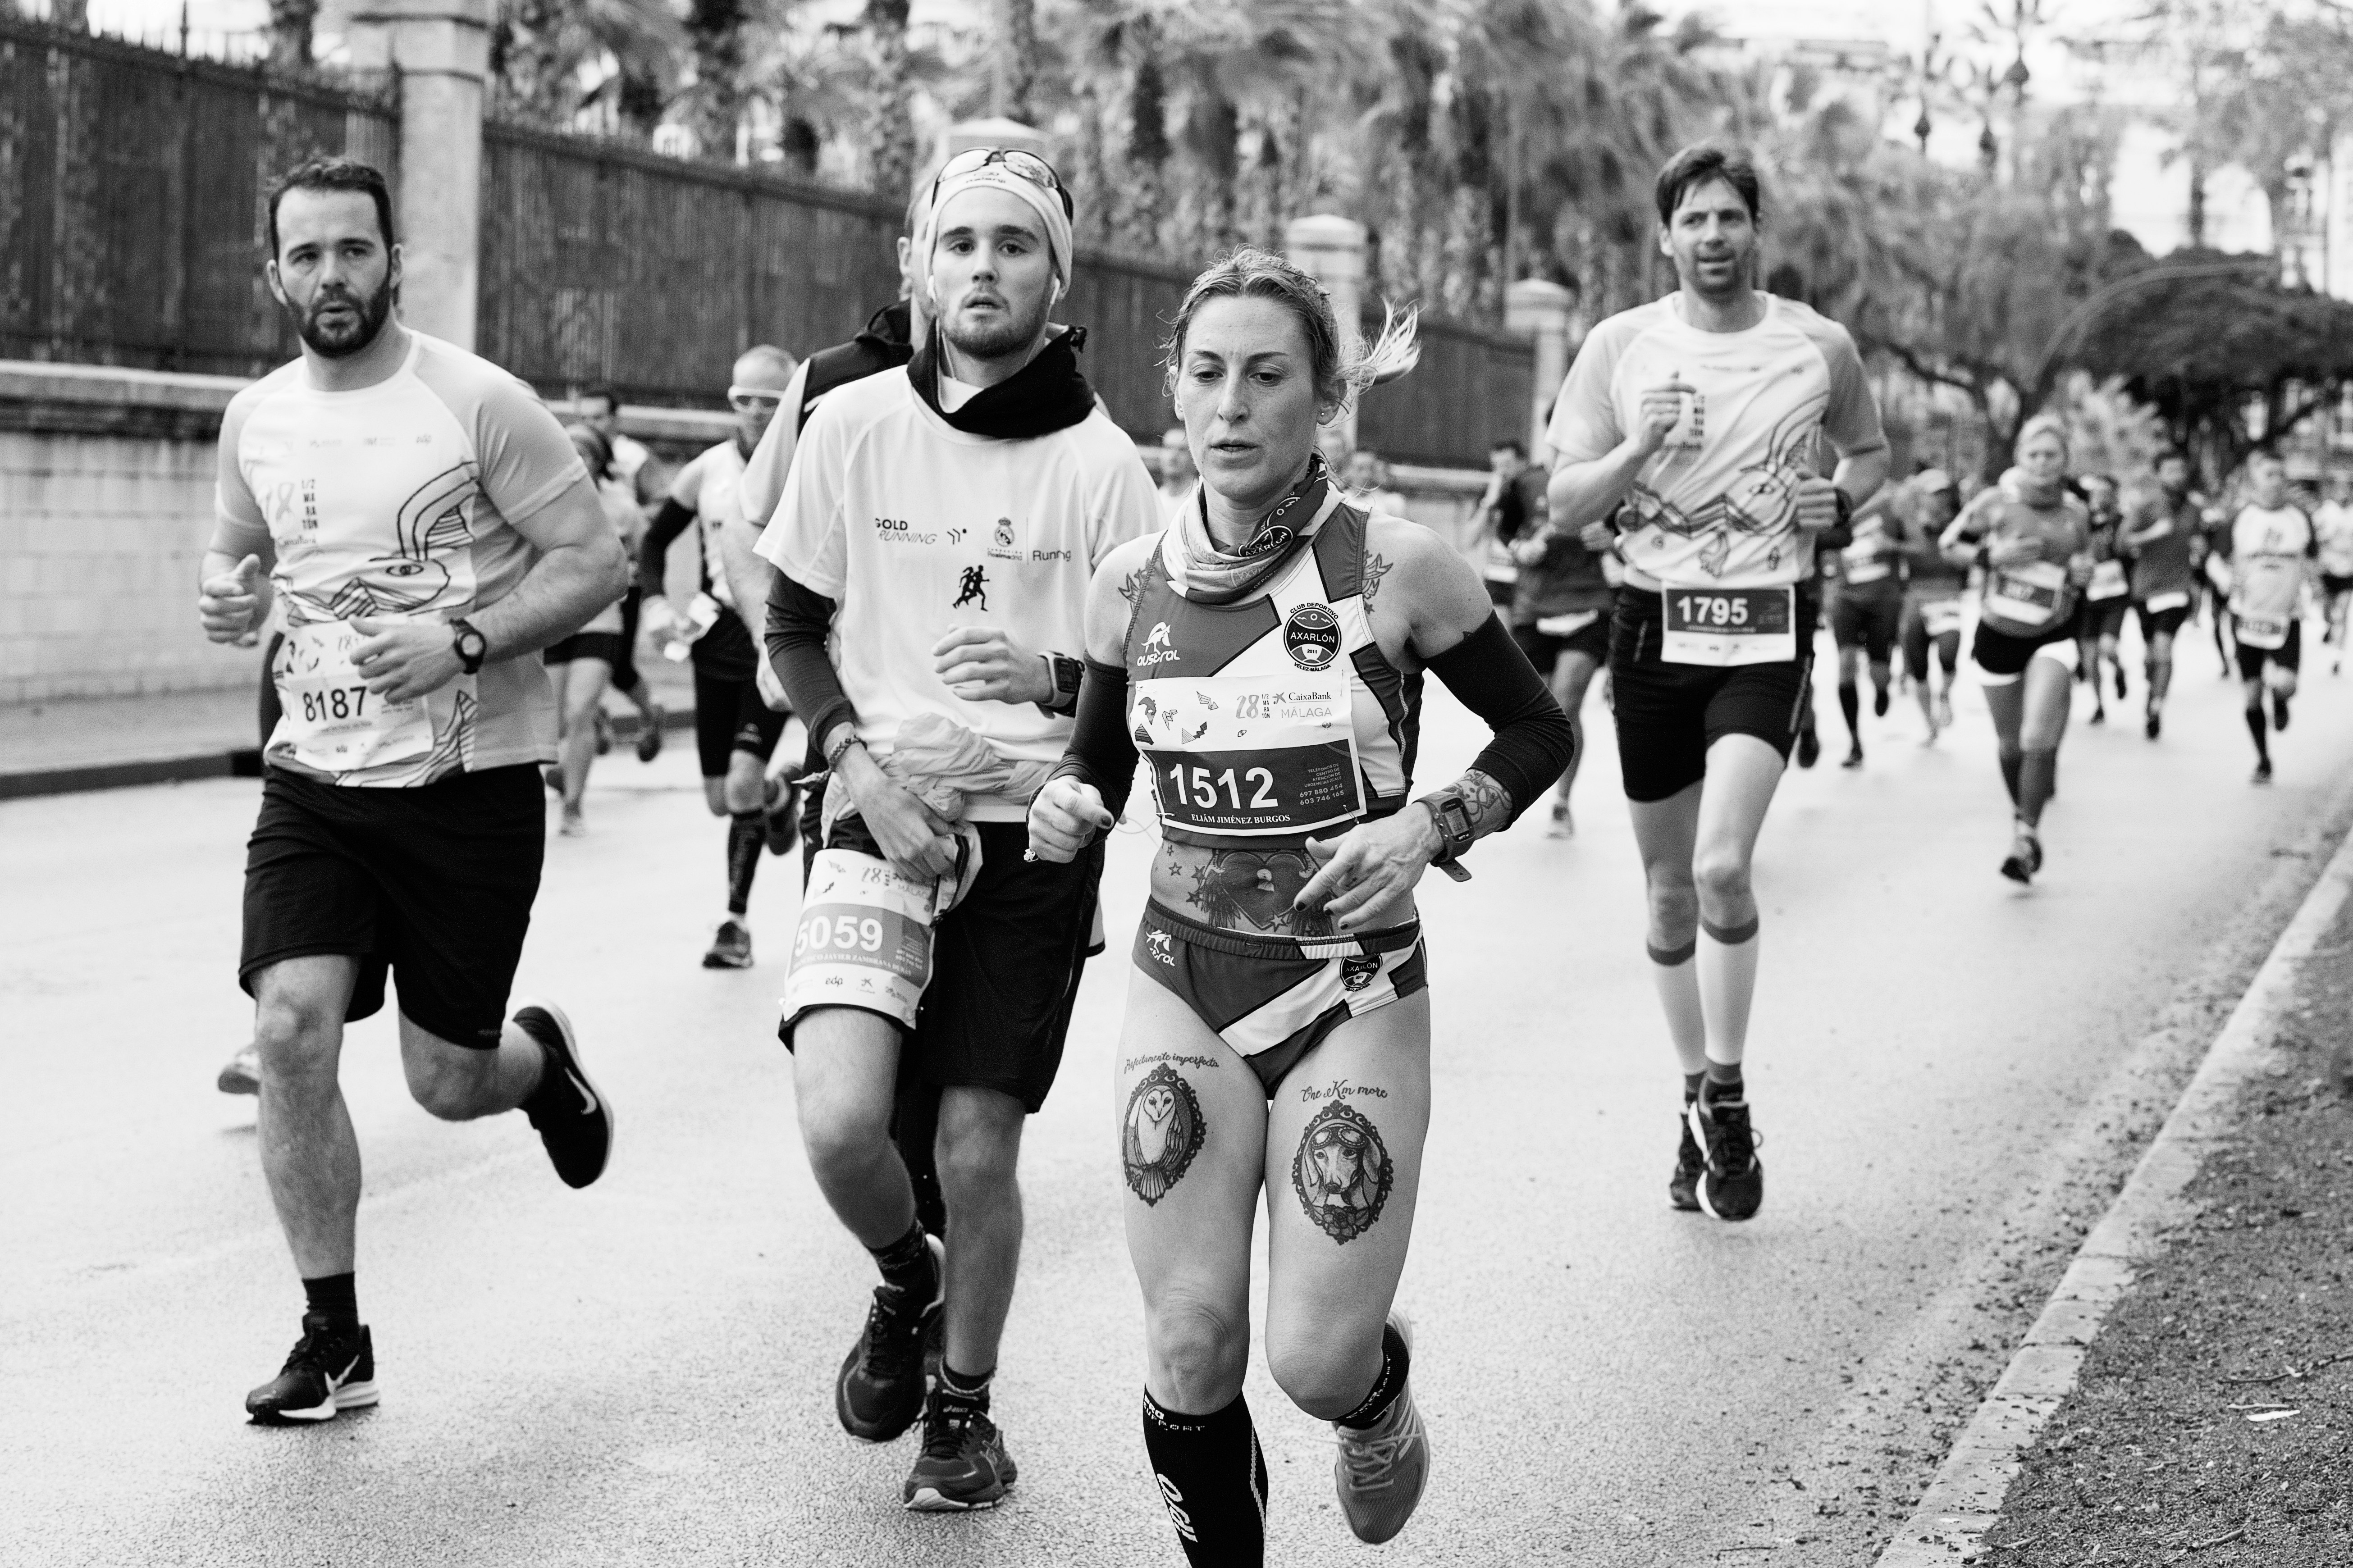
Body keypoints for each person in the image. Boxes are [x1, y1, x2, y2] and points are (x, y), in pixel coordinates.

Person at [1027, 248, 1575, 1566]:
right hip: (1183, 977)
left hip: (1352, 993)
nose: (1231, 404)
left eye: (1266, 376)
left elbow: (1539, 732)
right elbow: (1100, 764)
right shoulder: (1129, 584)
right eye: (1206, 373)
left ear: (1324, 396)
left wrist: (1432, 821)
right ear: (1172, 388)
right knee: (1190, 1343)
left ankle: (1373, 1392)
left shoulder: (1398, 568)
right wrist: (1069, 804)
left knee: (1313, 1358)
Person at [757, 147, 1161, 1511]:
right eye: (960, 244)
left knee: (975, 1145)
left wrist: (1063, 729)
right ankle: (902, 1273)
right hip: (874, 812)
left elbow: (1145, 673)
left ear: (1058, 282)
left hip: (1031, 845)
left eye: (1014, 245)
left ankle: (964, 1410)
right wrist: (858, 769)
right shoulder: (850, 421)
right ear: (919, 271)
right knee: (841, 1124)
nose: (983, 266)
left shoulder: (1106, 465)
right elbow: (791, 623)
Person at [196, 157, 625, 1425]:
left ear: (394, 261)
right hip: (315, 783)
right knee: (288, 1031)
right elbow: (237, 561)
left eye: (353, 252)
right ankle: (334, 1337)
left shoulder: (479, 403)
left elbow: (592, 561)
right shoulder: (255, 417)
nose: (331, 277)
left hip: (468, 786)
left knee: (446, 1080)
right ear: (274, 272)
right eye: (307, 256)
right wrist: (225, 597)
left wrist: (469, 637)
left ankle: (538, 1065)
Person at [1546, 141, 1887, 1222]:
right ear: (1663, 236)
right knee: (1662, 891)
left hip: (1762, 628)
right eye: (1689, 220)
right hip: (1649, 631)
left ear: (1754, 230)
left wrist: (1842, 499)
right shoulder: (1618, 347)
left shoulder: (1814, 345)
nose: (1709, 237)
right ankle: (1689, 1091)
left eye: (1727, 218)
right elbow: (1565, 502)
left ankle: (1729, 1093)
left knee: (1723, 868)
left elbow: (1868, 453)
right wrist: (1638, 446)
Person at [638, 345, 805, 967]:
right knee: (720, 797)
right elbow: (654, 544)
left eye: (772, 401)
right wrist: (656, 605)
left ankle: (734, 925)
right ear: (729, 401)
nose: (758, 414)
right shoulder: (706, 470)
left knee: (736, 784)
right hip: (715, 640)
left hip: (780, 641)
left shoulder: (809, 466)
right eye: (745, 401)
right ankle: (778, 797)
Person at [1939, 417, 2092, 883]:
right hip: (1998, 634)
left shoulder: (2076, 513)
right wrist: (1991, 558)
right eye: (2033, 455)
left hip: (2054, 632)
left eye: (2051, 455)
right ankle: (2021, 813)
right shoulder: (1993, 504)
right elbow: (1949, 546)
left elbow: (2086, 564)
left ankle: (2025, 836)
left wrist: (2083, 575)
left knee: (2035, 739)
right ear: (2019, 459)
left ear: (2065, 460)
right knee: (2009, 747)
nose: (2042, 464)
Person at [541, 424, 642, 834]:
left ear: (599, 462)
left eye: (586, 452)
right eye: (570, 450)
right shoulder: (539, 497)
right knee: (553, 725)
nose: (578, 458)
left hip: (600, 620)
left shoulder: (621, 506)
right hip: (551, 618)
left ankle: (572, 808)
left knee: (578, 712)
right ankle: (592, 728)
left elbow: (638, 552)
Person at [1508, 473, 1611, 834]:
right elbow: (1505, 533)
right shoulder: (1525, 484)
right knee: (1536, 712)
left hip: (1589, 608)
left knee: (1567, 705)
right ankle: (1514, 792)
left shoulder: (1612, 480)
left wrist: (1613, 541)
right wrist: (1520, 549)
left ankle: (1561, 804)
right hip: (1534, 610)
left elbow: (1640, 536)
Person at [572, 384, 667, 759]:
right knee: (571, 662)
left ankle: (650, 710)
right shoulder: (569, 450)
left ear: (615, 419)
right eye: (583, 417)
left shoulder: (634, 459)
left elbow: (662, 505)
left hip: (622, 577)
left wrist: (623, 523)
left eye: (598, 417)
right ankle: (591, 723)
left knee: (617, 665)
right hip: (576, 577)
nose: (590, 423)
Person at [2224, 449, 2318, 783]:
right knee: (2250, 695)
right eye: (2269, 475)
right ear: (2256, 481)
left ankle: (2279, 700)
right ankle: (2263, 759)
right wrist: (2227, 584)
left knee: (2285, 684)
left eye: (2281, 475)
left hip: (2285, 617)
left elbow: (2312, 558)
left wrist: (2314, 587)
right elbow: (2218, 558)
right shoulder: (2242, 518)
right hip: (2247, 617)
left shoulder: (2298, 518)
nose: (2276, 481)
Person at [2119, 447, 2205, 739]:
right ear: (2158, 475)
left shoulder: (2193, 508)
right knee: (2150, 656)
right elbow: (2122, 543)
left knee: (2164, 649)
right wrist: (2153, 533)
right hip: (2145, 589)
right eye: (2170, 471)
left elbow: (2198, 540)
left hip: (2177, 588)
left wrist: (2198, 547)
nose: (2177, 476)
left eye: (2181, 470)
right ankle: (2151, 683)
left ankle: (2156, 707)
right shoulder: (2145, 505)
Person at [1826, 495, 1904, 768]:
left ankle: (1883, 690)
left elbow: (1920, 545)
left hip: (1883, 600)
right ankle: (1855, 742)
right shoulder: (1834, 507)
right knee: (1845, 665)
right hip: (1845, 599)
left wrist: (1891, 544)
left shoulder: (1892, 505)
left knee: (1878, 672)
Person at [1896, 469, 1965, 741]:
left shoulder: (1958, 523)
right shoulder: (1906, 522)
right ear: (1920, 496)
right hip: (1915, 596)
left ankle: (1945, 696)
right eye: (1933, 493)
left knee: (1948, 654)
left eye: (1943, 494)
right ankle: (1929, 725)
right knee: (1918, 665)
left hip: (1947, 595)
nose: (1939, 499)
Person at [2074, 473, 2132, 725]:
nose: (2101, 498)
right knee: (2089, 658)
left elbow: (2130, 552)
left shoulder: (2123, 523)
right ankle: (2099, 705)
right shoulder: (2081, 522)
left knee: (2108, 648)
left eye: (2107, 494)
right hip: (2088, 600)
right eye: (2097, 493)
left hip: (2115, 597)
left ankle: (2119, 670)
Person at [1477, 437, 1544, 609]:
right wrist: (1488, 503)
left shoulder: (1532, 491)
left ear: (1523, 463)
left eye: (1507, 465)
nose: (1501, 472)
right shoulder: (1491, 494)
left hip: (1525, 576)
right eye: (1496, 466)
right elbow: (1469, 540)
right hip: (1497, 575)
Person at [2312, 472, 2353, 672]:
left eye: (2348, 488)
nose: (2344, 492)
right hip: (2328, 569)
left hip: (2348, 571)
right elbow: (2313, 536)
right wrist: (2325, 537)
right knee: (2329, 613)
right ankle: (2329, 626)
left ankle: (2338, 657)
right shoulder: (2326, 511)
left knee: (2343, 614)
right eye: (2340, 488)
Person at [1343, 447, 1410, 519]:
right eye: (1360, 469)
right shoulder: (1340, 500)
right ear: (1348, 471)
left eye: (1371, 468)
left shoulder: (1392, 503)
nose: (1366, 475)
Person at [1156, 424, 1197, 519]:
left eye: (1182, 450)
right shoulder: (1155, 499)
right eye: (1168, 448)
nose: (1173, 456)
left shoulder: (1201, 501)